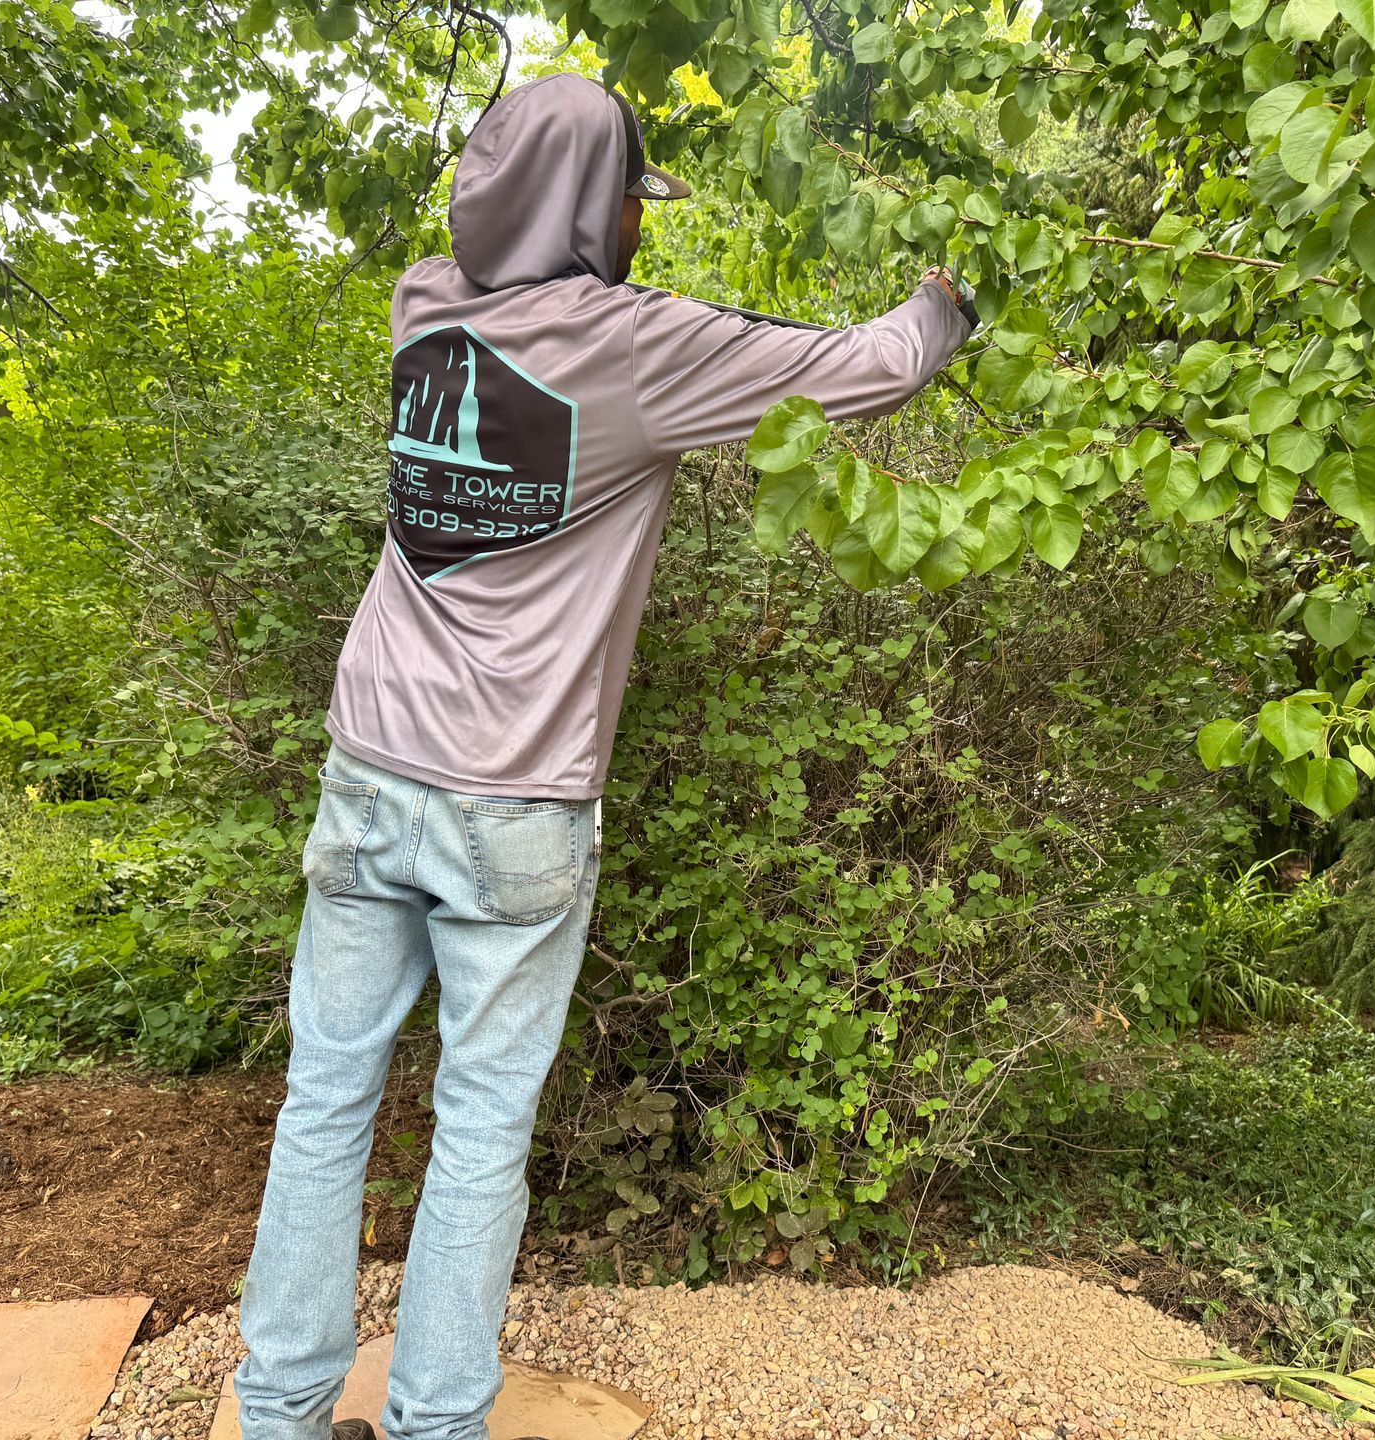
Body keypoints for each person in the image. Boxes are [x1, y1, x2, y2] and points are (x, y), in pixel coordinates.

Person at [231, 72, 976, 1440]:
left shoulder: (420, 303)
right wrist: (949, 299)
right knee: (477, 1134)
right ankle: (435, 1423)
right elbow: (866, 369)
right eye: (634, 195)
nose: (642, 221)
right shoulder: (637, 349)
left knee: (323, 1098)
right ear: (595, 205)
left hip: (369, 765)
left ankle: (277, 1415)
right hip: (512, 798)